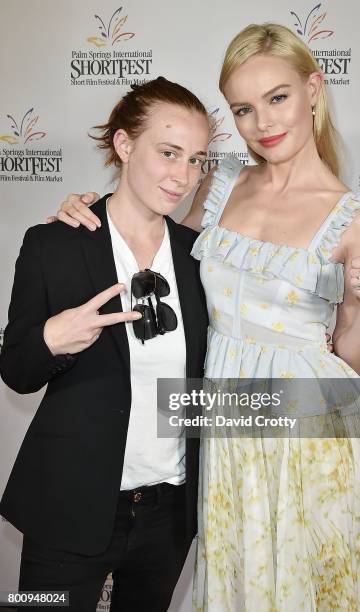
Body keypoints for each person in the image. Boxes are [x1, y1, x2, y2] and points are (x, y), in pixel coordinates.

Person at [53, 24, 360, 611]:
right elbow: (150, 244)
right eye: (243, 108)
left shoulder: (358, 216)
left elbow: (353, 363)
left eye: (278, 97)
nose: (263, 122)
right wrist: (93, 206)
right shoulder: (217, 185)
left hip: (305, 440)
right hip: (223, 428)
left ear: (313, 89)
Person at [0, 77, 210, 611]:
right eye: (168, 153)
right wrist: (53, 338)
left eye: (196, 159)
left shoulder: (201, 256)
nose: (183, 176)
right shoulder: (54, 243)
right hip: (68, 504)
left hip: (170, 512)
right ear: (124, 144)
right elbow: (17, 371)